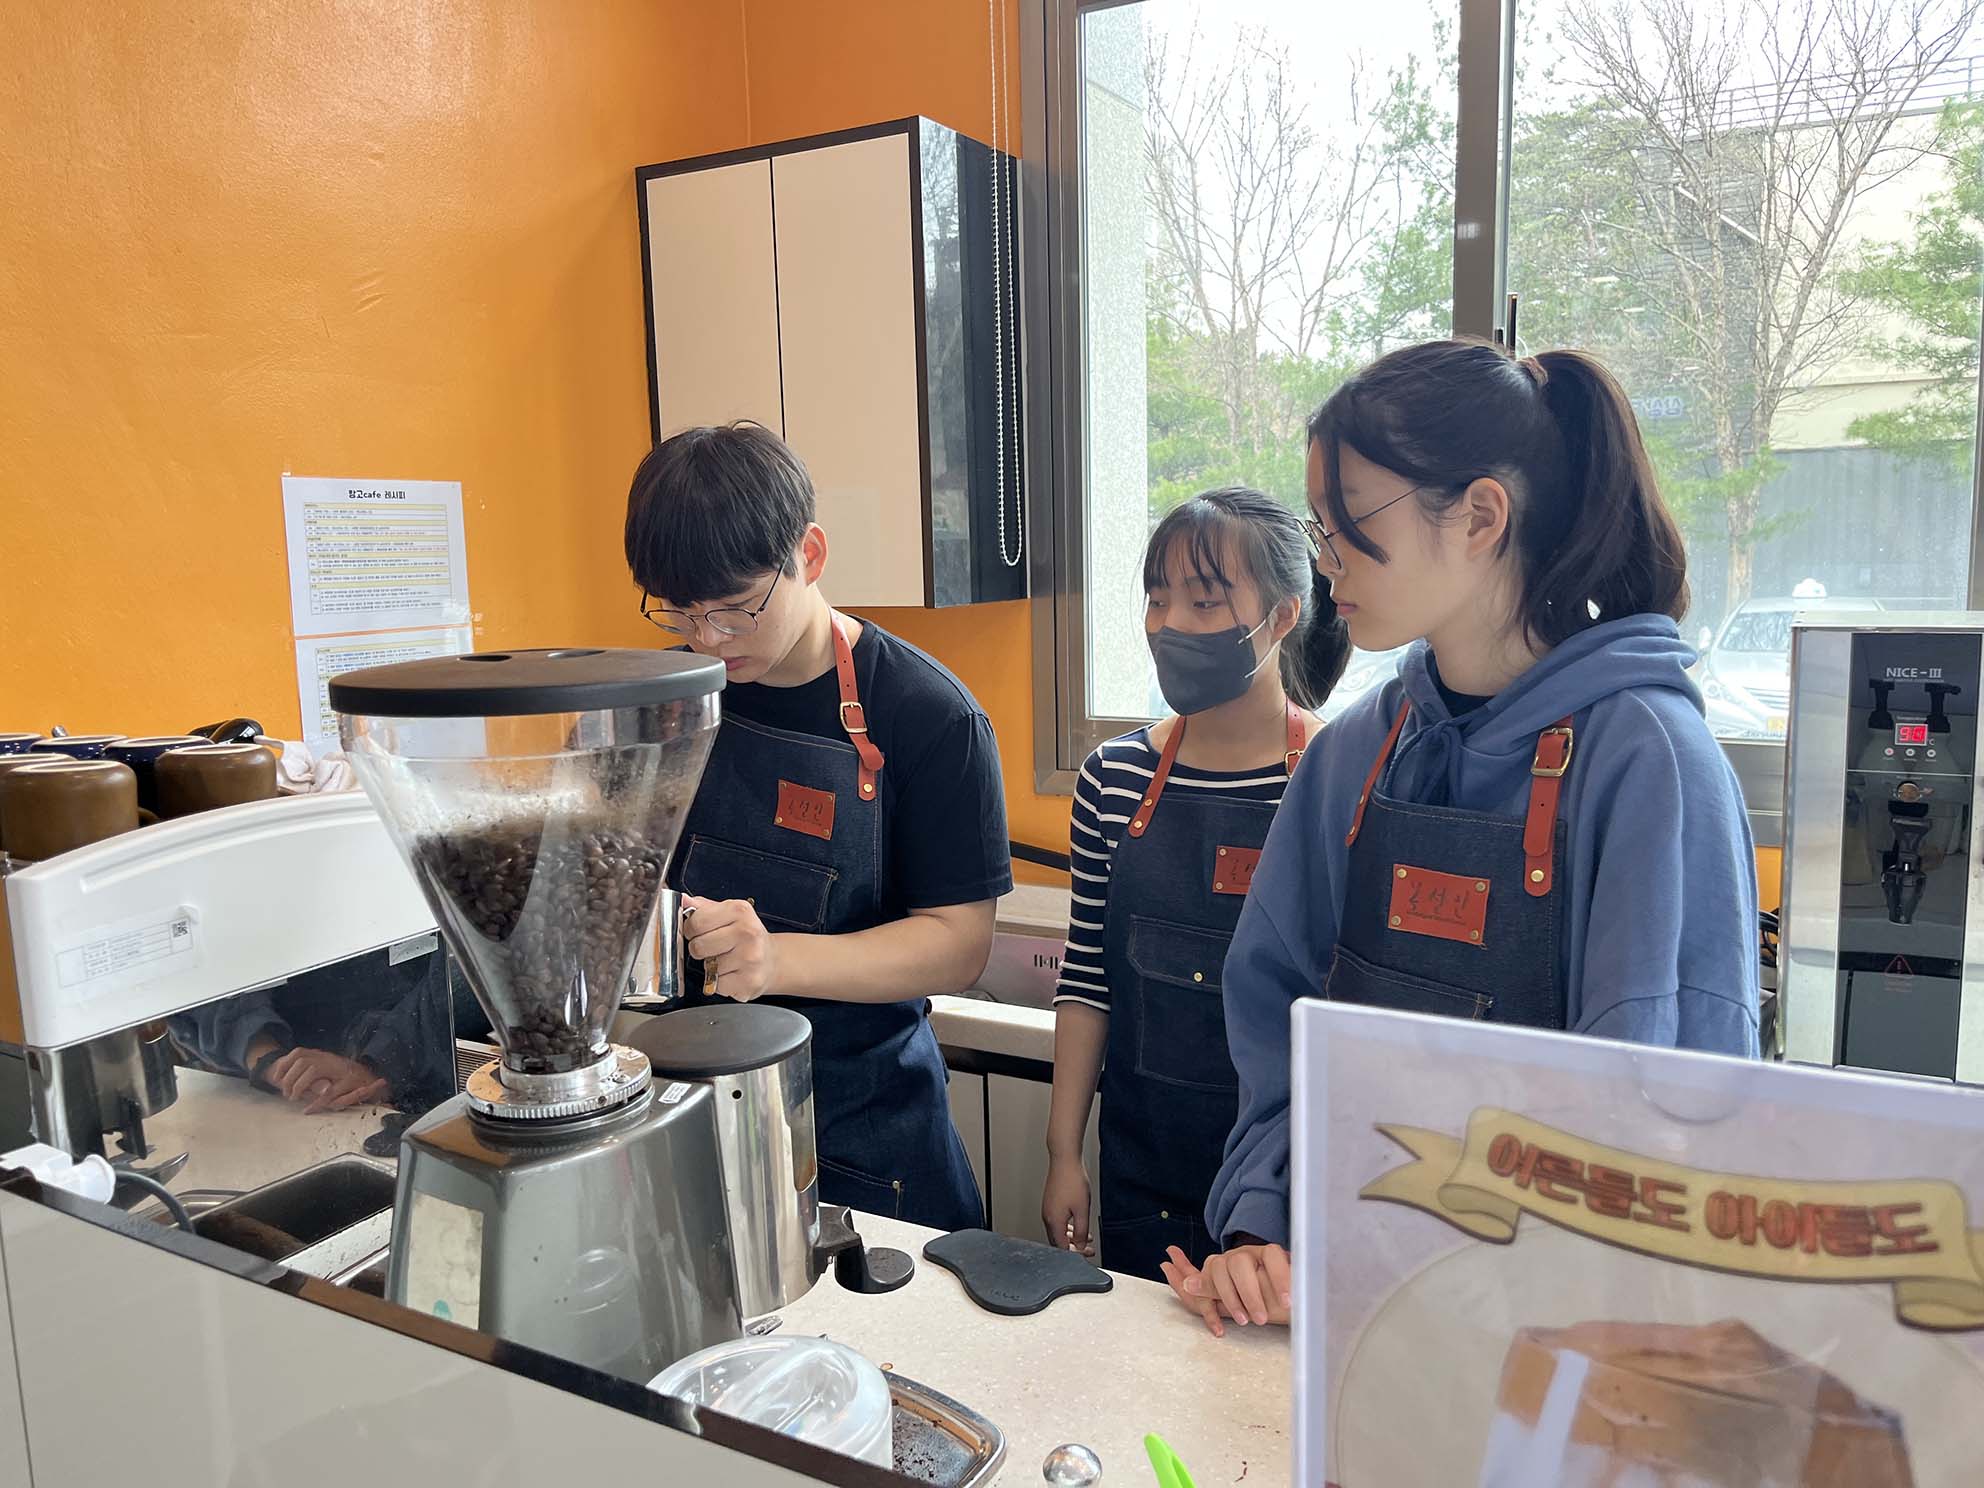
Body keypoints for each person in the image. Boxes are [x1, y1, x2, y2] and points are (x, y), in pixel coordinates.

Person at [1167, 340, 1762, 1336]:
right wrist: (1262, 1226)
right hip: (1349, 1318)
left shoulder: (1651, 765)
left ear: (1481, 517)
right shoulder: (1354, 752)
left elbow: (1671, 1120)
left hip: (1565, 1342)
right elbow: (1277, 1018)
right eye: (1319, 528)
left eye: (1350, 524)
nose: (1326, 560)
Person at [623, 422, 1007, 1231]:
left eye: (736, 609)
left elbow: (959, 944)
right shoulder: (661, 702)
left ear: (811, 554)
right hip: (695, 1118)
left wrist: (775, 959)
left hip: (869, 1131)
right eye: (680, 612)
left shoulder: (927, 715)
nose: (708, 639)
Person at [1041, 489, 1350, 1283]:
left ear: (1282, 617)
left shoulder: (1336, 781)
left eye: (1205, 602)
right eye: (1157, 599)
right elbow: (1087, 978)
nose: (1170, 623)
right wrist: (1063, 1153)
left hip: (1288, 1196)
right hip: (1141, 1172)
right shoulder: (1113, 778)